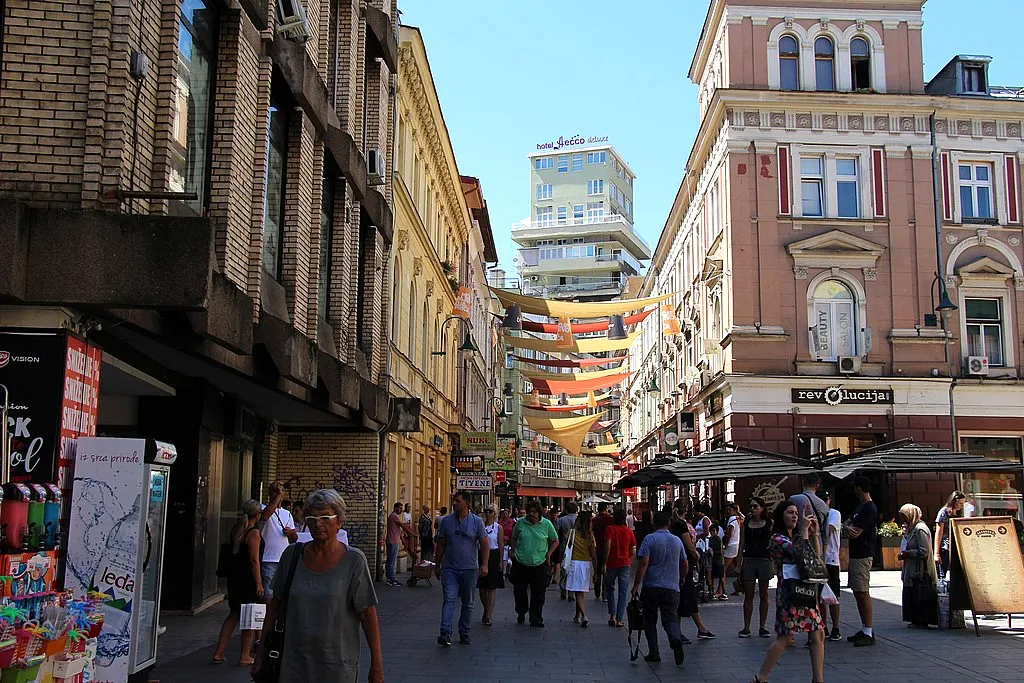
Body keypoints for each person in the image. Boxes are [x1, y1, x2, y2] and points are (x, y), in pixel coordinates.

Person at [252, 489, 382, 683]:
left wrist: (377, 664)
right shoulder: (291, 556)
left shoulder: (354, 561)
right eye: (311, 517)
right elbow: (274, 609)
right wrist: (261, 652)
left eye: (325, 517)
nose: (317, 523)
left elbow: (367, 615)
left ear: (339, 521)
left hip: (336, 666)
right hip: (294, 663)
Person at [752, 502, 825, 683]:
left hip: (805, 591)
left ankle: (818, 679)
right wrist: (806, 532)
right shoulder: (777, 539)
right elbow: (800, 556)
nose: (795, 516)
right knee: (785, 638)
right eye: (790, 512)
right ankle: (761, 677)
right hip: (791, 594)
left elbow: (815, 556)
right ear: (780, 516)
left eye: (796, 513)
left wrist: (814, 534)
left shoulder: (799, 536)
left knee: (818, 633)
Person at [631, 510, 686, 666]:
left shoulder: (649, 539)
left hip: (652, 587)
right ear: (668, 523)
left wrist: (636, 585)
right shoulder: (677, 541)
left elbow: (644, 563)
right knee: (670, 618)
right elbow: (685, 563)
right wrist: (681, 577)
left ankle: (654, 652)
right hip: (672, 587)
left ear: (654, 523)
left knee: (650, 620)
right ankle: (675, 638)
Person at [434, 491, 489, 646]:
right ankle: (445, 632)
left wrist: (484, 564)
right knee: (449, 599)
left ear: (466, 503)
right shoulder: (446, 522)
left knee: (468, 602)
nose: (454, 503)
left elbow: (484, 543)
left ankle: (464, 632)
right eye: (454, 500)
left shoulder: (477, 522)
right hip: (450, 568)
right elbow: (441, 545)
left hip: (470, 569)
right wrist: (437, 565)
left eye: (457, 501)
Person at [213, 500, 264, 666]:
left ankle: (219, 652)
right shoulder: (253, 533)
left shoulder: (236, 529)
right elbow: (254, 560)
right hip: (247, 578)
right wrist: (259, 583)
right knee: (249, 616)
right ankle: (244, 655)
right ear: (257, 515)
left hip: (234, 578)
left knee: (234, 614)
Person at [670, 500, 716, 641]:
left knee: (686, 596)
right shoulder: (681, 524)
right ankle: (686, 630)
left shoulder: (672, 523)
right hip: (685, 563)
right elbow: (689, 546)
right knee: (685, 595)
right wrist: (696, 555)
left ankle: (699, 628)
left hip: (675, 562)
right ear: (686, 510)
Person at [509, 500, 558, 627]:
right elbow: (513, 537)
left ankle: (536, 617)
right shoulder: (520, 523)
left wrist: (549, 554)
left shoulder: (546, 524)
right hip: (521, 562)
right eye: (529, 512)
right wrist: (513, 551)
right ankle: (521, 610)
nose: (531, 515)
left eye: (534, 512)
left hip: (540, 563)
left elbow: (555, 540)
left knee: (539, 592)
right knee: (519, 591)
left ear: (539, 513)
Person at [845, 475, 878, 647]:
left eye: (855, 487)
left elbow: (855, 531)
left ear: (859, 488)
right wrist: (847, 527)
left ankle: (868, 631)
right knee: (858, 592)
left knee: (862, 591)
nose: (853, 490)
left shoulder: (869, 508)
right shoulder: (860, 507)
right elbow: (849, 523)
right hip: (856, 554)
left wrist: (844, 528)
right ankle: (865, 628)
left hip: (863, 554)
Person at [738, 497, 773, 638]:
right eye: (751, 506)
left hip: (764, 559)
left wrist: (774, 562)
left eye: (755, 506)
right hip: (749, 559)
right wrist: (739, 563)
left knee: (764, 594)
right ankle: (746, 627)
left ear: (762, 508)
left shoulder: (769, 523)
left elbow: (774, 541)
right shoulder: (746, 523)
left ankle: (762, 627)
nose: (752, 509)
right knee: (749, 594)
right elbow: (741, 543)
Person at [899, 503, 938, 627]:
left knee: (919, 593)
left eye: (905, 516)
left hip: (919, 569)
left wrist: (908, 553)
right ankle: (915, 619)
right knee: (912, 593)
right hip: (911, 568)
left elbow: (924, 551)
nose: (903, 519)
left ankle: (921, 620)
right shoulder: (912, 528)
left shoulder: (920, 529)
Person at [259, 480, 297, 599]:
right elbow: (265, 516)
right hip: (268, 558)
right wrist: (278, 496)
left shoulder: (287, 514)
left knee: (283, 592)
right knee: (269, 593)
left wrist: (290, 533)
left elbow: (294, 538)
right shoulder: (262, 508)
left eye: (280, 490)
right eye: (275, 490)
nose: (278, 493)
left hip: (283, 559)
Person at [603, 507, 636, 627]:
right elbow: (632, 548)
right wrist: (629, 557)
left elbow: (607, 545)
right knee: (623, 591)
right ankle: (619, 619)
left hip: (612, 563)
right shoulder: (629, 531)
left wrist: (604, 563)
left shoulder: (610, 529)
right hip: (625, 563)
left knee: (610, 588)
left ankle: (612, 615)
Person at [566, 511, 597, 627]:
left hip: (575, 563)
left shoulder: (572, 533)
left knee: (578, 592)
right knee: (580, 591)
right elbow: (593, 554)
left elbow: (568, 547)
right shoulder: (590, 536)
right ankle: (577, 615)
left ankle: (584, 616)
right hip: (586, 564)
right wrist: (596, 570)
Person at [477, 504, 505, 627]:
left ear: (495, 513)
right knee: (482, 588)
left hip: (493, 556)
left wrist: (501, 561)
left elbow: (501, 544)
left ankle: (488, 614)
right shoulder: (480, 526)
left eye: (490, 511)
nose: (488, 513)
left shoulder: (498, 527)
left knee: (491, 587)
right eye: (486, 511)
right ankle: (485, 608)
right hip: (482, 555)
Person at [821, 490, 843, 641]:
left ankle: (835, 627)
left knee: (834, 596)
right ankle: (824, 627)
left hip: (831, 559)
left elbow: (828, 531)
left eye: (824, 500)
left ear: (828, 500)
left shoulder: (834, 513)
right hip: (819, 559)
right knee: (820, 597)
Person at [933, 491, 965, 578]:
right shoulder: (943, 513)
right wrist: (936, 553)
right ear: (954, 501)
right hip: (946, 547)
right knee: (943, 572)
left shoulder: (959, 513)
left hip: (957, 546)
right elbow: (938, 533)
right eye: (960, 503)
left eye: (963, 503)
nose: (962, 505)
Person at [386, 502, 414, 587]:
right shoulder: (394, 516)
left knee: (390, 560)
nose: (401, 510)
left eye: (402, 508)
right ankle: (392, 579)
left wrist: (404, 542)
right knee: (392, 561)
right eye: (400, 508)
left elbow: (398, 531)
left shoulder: (393, 516)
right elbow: (403, 526)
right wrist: (411, 534)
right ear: (395, 508)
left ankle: (389, 578)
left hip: (393, 541)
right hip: (392, 541)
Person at [554, 501, 578, 599]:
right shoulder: (578, 519)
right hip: (576, 547)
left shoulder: (561, 520)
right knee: (573, 569)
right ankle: (571, 592)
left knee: (564, 567)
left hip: (564, 546)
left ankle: (563, 589)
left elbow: (555, 532)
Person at [592, 503, 614, 599]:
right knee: (605, 571)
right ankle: (604, 594)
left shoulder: (594, 520)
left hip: (596, 547)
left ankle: (597, 591)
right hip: (607, 548)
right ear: (606, 508)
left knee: (597, 569)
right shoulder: (611, 520)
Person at [724, 503, 743, 595]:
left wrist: (725, 545)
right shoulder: (739, 518)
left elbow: (730, 534)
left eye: (729, 510)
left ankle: (721, 590)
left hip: (731, 545)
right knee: (738, 567)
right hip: (737, 544)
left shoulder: (731, 519)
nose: (728, 512)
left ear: (734, 510)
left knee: (723, 569)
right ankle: (742, 587)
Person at [709, 523, 726, 599]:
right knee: (712, 576)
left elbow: (721, 551)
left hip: (719, 560)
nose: (712, 532)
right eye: (711, 531)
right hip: (713, 560)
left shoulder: (718, 539)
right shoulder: (710, 539)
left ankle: (724, 592)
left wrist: (713, 552)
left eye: (713, 530)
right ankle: (712, 590)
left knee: (721, 576)